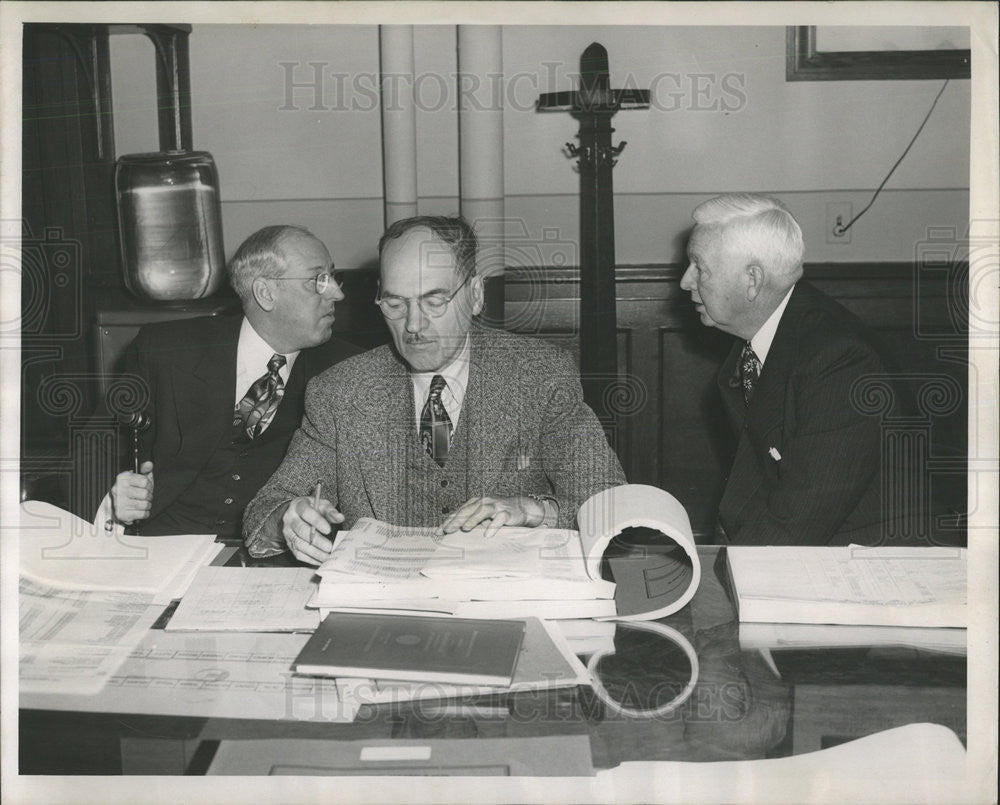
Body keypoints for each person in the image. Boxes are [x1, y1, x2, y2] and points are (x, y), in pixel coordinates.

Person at [244, 215, 625, 563]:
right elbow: (265, 511)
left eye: (434, 300)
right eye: (395, 303)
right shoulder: (340, 392)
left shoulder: (539, 376)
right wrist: (288, 520)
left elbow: (610, 501)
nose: (413, 325)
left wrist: (532, 511)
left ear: (475, 294)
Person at [102, 225, 359, 537]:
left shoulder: (350, 370)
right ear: (266, 293)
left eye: (332, 276)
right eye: (317, 280)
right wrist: (113, 499)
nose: (337, 293)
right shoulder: (166, 350)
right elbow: (94, 444)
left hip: (278, 555)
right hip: (163, 543)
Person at [680, 193, 896, 546]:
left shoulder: (842, 362)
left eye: (699, 267)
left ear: (752, 280)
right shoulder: (758, 341)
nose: (686, 281)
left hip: (868, 563)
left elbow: (796, 523)